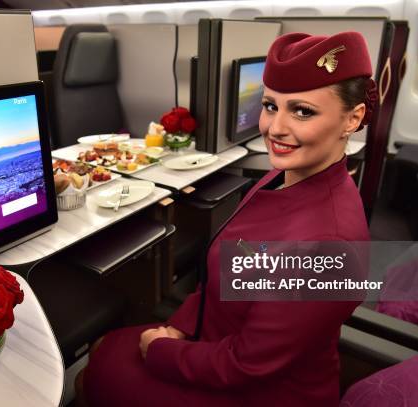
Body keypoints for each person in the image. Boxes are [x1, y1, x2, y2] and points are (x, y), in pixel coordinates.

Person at [77, 31, 376, 406]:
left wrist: (161, 351)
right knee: (108, 348)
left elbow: (247, 366)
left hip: (262, 390)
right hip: (220, 341)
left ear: (353, 119)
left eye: (303, 111)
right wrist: (180, 325)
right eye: (270, 106)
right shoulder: (282, 176)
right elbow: (228, 276)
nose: (275, 128)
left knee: (102, 362)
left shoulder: (329, 244)